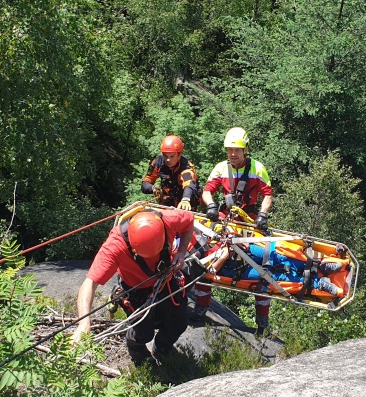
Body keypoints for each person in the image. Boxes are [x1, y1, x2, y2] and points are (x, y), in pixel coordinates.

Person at [71, 209, 193, 365]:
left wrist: (181, 252)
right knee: (143, 332)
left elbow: (189, 221)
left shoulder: (168, 219)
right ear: (134, 248)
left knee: (179, 322)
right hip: (136, 288)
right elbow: (89, 283)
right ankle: (137, 349)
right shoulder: (115, 246)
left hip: (165, 278)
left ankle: (162, 347)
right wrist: (84, 323)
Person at [195, 127, 275, 332]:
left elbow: (267, 194)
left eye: (237, 150)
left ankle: (262, 318)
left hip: (249, 220)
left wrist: (264, 215)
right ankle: (201, 306)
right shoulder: (221, 168)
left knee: (263, 262)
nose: (233, 154)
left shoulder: (257, 168)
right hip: (226, 217)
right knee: (205, 253)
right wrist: (211, 206)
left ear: (246, 149)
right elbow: (207, 191)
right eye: (230, 149)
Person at [200, 240, 349, 299]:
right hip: (234, 269)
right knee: (272, 277)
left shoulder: (201, 233)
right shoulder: (191, 258)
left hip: (243, 252)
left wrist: (236, 241)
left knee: (277, 256)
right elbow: (209, 272)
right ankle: (317, 283)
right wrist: (224, 256)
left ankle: (318, 265)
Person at [141, 135, 199, 210]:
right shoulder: (157, 163)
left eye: (172, 156)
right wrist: (153, 188)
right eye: (165, 156)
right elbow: (145, 183)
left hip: (185, 203)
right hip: (167, 202)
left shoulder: (186, 167)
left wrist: (186, 199)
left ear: (179, 155)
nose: (168, 160)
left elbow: (189, 185)